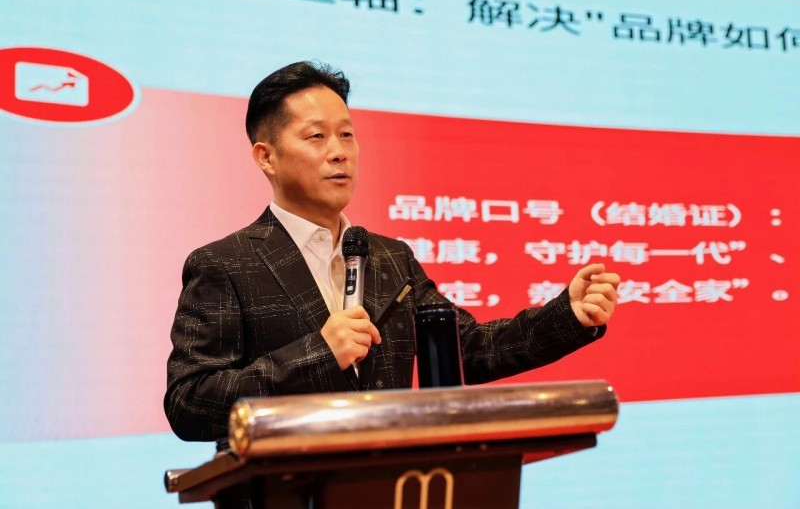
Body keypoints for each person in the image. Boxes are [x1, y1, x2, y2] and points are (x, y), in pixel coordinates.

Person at [165, 61, 620, 442]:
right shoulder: (226, 264)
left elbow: (469, 351)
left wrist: (567, 315)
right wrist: (319, 353)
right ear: (266, 156)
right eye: (316, 137)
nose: (339, 152)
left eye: (347, 135)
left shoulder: (390, 259)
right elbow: (189, 403)